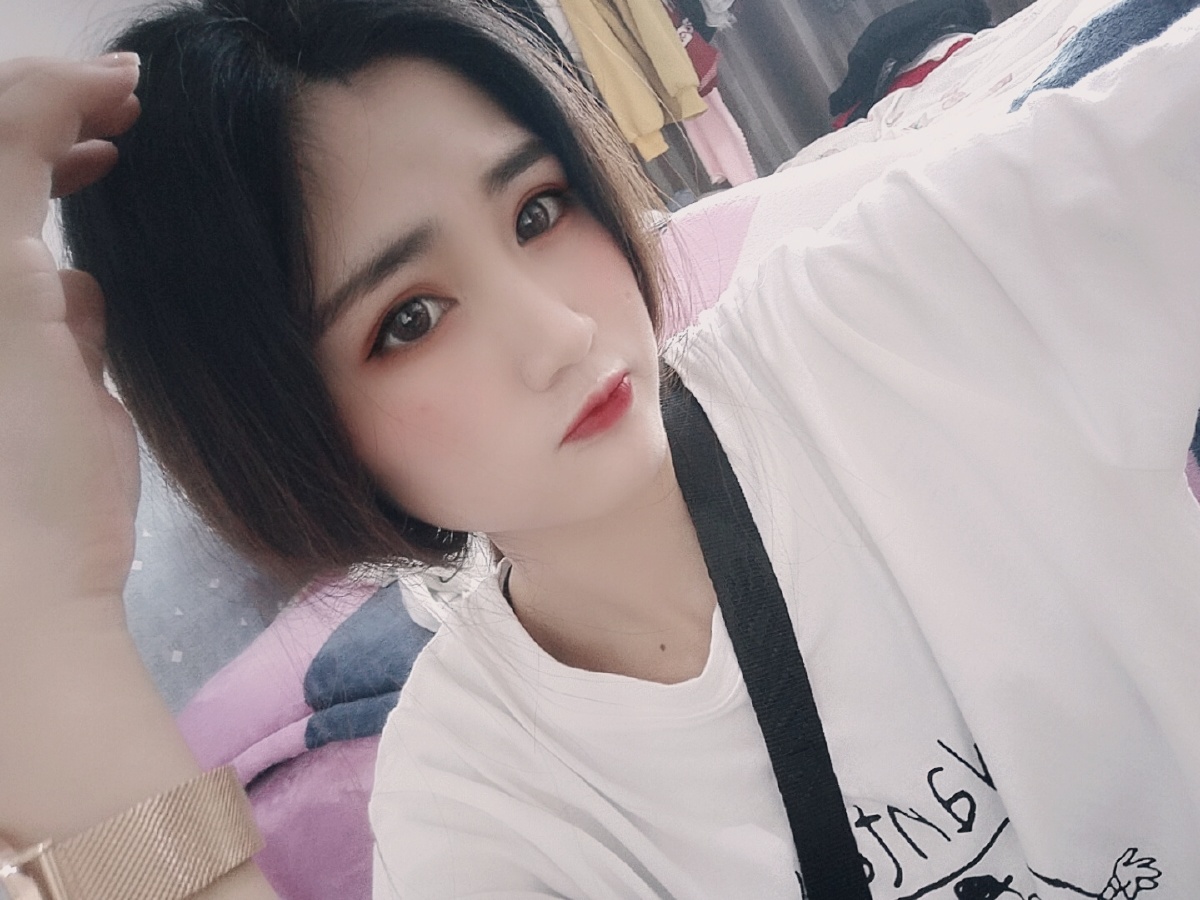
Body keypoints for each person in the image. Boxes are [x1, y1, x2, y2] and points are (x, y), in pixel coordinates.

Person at [1, 0, 1199, 898]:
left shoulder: (892, 317)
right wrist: (47, 621)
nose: (559, 332)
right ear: (285, 432)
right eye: (409, 319)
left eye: (537, 210)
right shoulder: (482, 796)